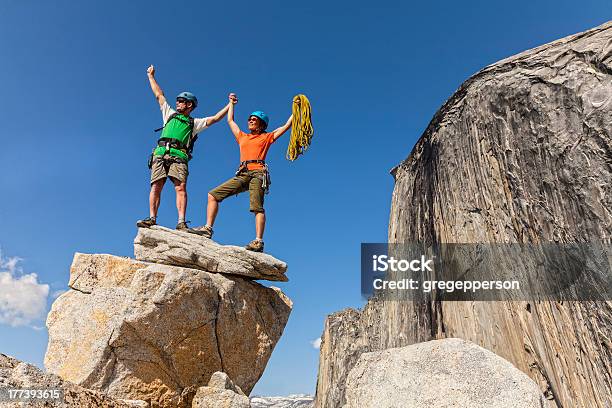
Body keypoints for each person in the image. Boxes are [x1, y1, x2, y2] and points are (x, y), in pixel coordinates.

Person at [136, 65, 236, 232]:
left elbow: (216, 119)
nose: (178, 103)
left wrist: (230, 104)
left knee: (180, 187)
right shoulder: (169, 114)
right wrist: (150, 76)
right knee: (156, 186)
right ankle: (152, 218)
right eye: (178, 101)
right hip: (160, 153)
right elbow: (159, 95)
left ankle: (181, 222)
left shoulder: (194, 123)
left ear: (189, 105)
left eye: (181, 101)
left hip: (179, 156)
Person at [191, 95, 296, 252]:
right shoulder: (242, 137)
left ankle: (258, 241)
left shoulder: (266, 137)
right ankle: (207, 228)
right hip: (242, 173)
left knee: (257, 207)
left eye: (255, 119)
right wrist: (231, 103)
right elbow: (230, 121)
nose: (251, 121)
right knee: (213, 195)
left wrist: (296, 109)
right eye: (250, 119)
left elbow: (286, 126)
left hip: (258, 173)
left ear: (261, 125)